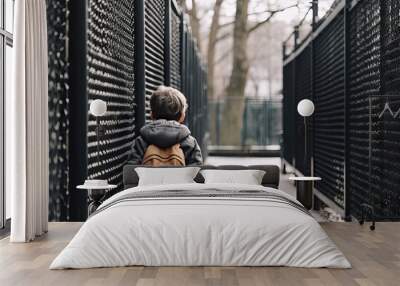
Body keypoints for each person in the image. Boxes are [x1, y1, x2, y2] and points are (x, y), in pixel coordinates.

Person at [128, 85, 203, 166]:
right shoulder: (189, 142)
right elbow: (196, 171)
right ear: (182, 116)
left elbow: (131, 171)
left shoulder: (141, 141)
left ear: (152, 114)